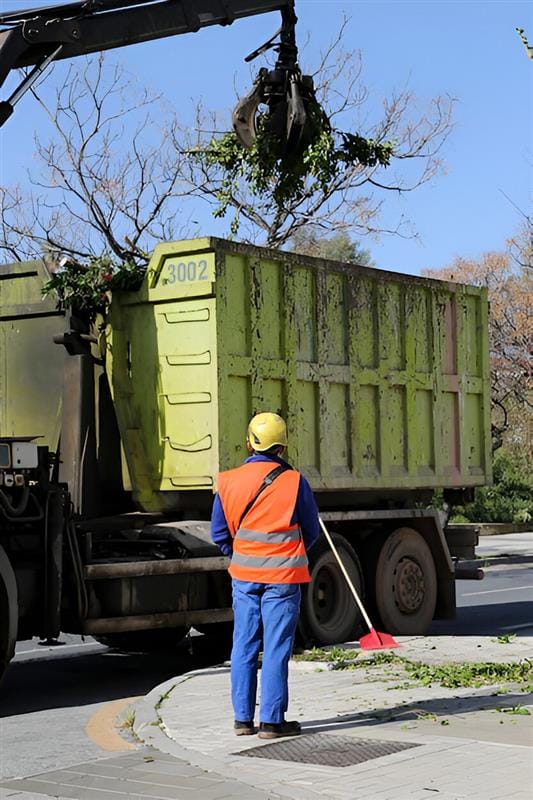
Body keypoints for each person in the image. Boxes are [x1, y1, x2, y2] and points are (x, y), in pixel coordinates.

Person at [211, 412, 320, 739]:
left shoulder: (227, 481)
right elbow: (311, 531)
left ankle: (242, 720)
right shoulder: (295, 481)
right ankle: (272, 723)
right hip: (284, 578)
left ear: (248, 443)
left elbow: (219, 533)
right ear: (283, 447)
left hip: (244, 577)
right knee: (275, 647)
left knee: (242, 644)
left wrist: (240, 555)